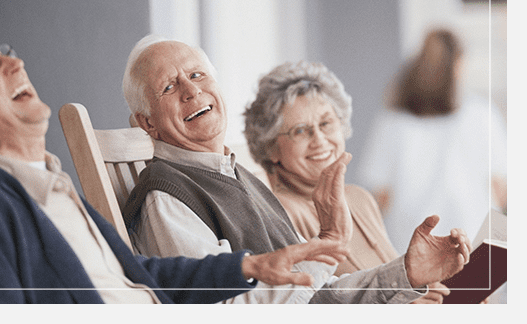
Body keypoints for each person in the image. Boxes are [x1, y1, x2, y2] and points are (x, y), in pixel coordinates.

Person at [0, 39, 350, 304]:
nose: (17, 63)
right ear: (148, 124)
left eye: (198, 75)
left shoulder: (51, 186)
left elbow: (138, 274)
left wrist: (247, 266)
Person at [121, 34, 472, 304]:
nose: (192, 90)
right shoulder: (166, 195)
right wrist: (328, 244)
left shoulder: (237, 175)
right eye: (169, 86)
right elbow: (229, 308)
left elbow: (320, 295)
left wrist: (407, 274)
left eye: (197, 75)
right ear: (147, 123)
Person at [243, 60, 450, 303]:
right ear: (271, 148)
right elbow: (309, 305)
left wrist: (434, 290)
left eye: (326, 123)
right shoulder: (277, 213)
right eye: (300, 130)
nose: (319, 140)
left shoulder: (359, 198)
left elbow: (400, 282)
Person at [357, 29, 507, 255]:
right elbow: (502, 190)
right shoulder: (482, 114)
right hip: (475, 244)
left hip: (414, 249)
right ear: (458, 64)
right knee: (475, 291)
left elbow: (381, 198)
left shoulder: (393, 121)